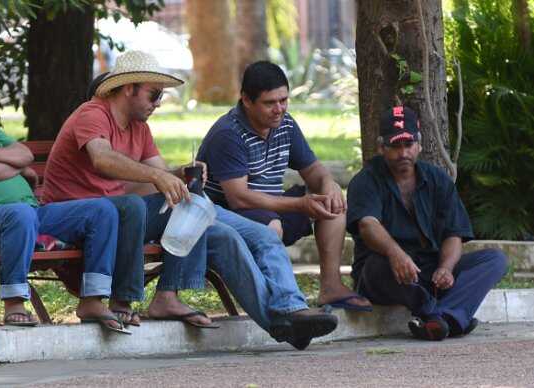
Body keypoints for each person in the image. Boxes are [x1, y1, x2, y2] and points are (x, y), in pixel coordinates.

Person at [42, 50, 338, 349]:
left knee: (225, 234)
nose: (158, 103)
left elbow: (158, 177)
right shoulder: (93, 113)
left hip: (123, 215)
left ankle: (284, 322)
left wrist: (180, 174)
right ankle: (167, 295)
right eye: (154, 94)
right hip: (80, 219)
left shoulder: (139, 127)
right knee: (194, 211)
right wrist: (160, 178)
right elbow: (102, 159)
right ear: (129, 87)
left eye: (161, 96)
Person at [0, 61, 134, 334]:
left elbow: (25, 154)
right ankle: (15, 303)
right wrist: (17, 168)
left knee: (101, 210)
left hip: (30, 215)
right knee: (19, 213)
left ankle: (92, 299)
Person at [197, 61, 372, 312]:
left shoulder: (285, 124)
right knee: (271, 226)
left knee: (332, 206)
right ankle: (275, 302)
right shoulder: (228, 134)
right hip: (228, 215)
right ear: (246, 100)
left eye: (284, 100)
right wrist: (300, 204)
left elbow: (313, 170)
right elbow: (239, 199)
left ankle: (331, 287)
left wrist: (329, 184)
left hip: (269, 205)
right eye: (270, 103)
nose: (279, 109)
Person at [346, 105, 508, 340]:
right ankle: (446, 316)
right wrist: (395, 254)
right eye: (395, 146)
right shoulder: (365, 180)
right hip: (387, 272)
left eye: (408, 145)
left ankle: (439, 318)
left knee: (494, 260)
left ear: (419, 145)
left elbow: (454, 232)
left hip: (429, 270)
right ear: (381, 148)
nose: (403, 153)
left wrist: (445, 268)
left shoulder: (437, 178)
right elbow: (367, 225)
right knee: (374, 267)